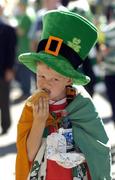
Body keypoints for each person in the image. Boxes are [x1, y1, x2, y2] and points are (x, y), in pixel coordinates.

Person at [15, 10, 112, 180]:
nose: (45, 83)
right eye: (41, 76)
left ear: (69, 79)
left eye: (55, 78)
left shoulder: (82, 105)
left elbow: (99, 149)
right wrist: (39, 121)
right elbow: (28, 156)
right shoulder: (32, 106)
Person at [0, 5, 17, 134]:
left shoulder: (8, 28)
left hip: (4, 69)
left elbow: (12, 51)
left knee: (4, 98)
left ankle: (6, 124)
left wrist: (10, 69)